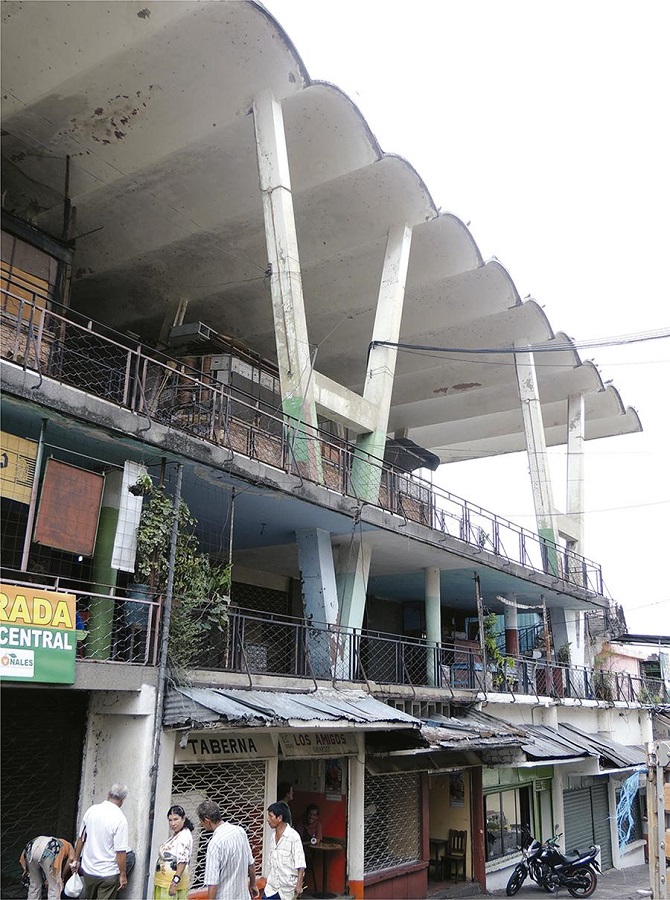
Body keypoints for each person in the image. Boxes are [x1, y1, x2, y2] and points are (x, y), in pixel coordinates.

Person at [71, 782, 129, 899]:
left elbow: (81, 839)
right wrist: (123, 874)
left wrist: (76, 860)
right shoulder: (120, 819)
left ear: (108, 794)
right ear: (123, 799)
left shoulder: (91, 811)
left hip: (89, 870)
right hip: (109, 873)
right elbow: (120, 852)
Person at [196, 799, 259, 900]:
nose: (200, 824)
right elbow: (250, 863)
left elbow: (212, 883)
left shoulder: (215, 843)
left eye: (201, 821)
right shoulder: (240, 831)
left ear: (207, 821)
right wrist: (253, 884)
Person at [263, 802, 305, 900]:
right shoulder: (273, 836)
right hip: (272, 888)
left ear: (279, 818)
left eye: (271, 816)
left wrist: (298, 886)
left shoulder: (293, 837)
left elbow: (301, 864)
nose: (268, 819)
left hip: (287, 890)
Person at [153, 805, 194, 900]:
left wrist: (174, 882)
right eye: (170, 820)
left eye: (176, 819)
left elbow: (182, 861)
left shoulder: (184, 837)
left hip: (171, 885)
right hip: (164, 883)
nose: (173, 823)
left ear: (183, 819)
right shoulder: (178, 834)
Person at [19, 836, 74, 900]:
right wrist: (62, 877)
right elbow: (71, 858)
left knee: (34, 884)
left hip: (30, 848)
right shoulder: (69, 846)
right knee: (54, 887)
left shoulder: (53, 840)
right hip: (50, 852)